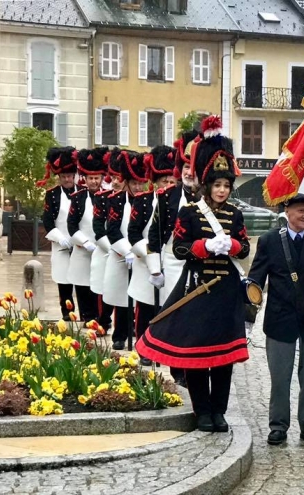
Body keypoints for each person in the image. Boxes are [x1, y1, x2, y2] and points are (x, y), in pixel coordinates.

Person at [137, 116, 251, 433]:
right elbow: (179, 249)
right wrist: (203, 246)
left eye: (227, 185)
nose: (222, 190)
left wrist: (233, 244)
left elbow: (243, 250)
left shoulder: (236, 213)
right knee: (196, 355)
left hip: (226, 292)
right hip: (197, 289)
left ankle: (220, 411)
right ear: (207, 184)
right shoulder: (189, 212)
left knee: (224, 360)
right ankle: (202, 411)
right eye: (217, 185)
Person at [248, 193, 304, 446]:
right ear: (287, 212)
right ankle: (278, 425)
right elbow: (256, 277)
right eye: (300, 211)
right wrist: (248, 303)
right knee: (280, 377)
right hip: (281, 316)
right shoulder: (270, 240)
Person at [146, 131, 198, 386]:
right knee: (175, 317)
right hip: (173, 265)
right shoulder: (166, 196)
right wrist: (155, 270)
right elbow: (154, 239)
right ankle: (177, 370)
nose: (190, 172)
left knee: (195, 319)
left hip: (200, 265)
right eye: (186, 166)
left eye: (194, 166)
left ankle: (195, 365)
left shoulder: (210, 197)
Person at [128, 146, 177, 366]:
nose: (168, 185)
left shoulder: (179, 202)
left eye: (171, 181)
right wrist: (149, 256)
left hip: (170, 261)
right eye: (164, 181)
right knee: (145, 307)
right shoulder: (143, 200)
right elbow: (133, 232)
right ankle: (143, 347)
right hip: (145, 262)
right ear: (155, 181)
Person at [104, 151, 149, 350]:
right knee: (122, 298)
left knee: (142, 298)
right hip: (122, 254)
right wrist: (126, 251)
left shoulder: (149, 201)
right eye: (134, 183)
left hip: (143, 256)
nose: (138, 187)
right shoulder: (116, 200)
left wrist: (141, 251)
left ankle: (142, 336)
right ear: (127, 182)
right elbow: (112, 229)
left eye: (141, 183)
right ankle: (119, 334)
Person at [67, 147, 107, 323]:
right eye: (90, 178)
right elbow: (71, 224)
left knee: (100, 285)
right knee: (82, 285)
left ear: (101, 178)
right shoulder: (77, 198)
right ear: (85, 179)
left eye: (96, 178)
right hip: (83, 249)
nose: (93, 181)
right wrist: (83, 242)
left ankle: (102, 318)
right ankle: (86, 316)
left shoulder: (109, 197)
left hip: (103, 248)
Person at [39, 147, 79, 319]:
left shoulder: (83, 192)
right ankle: (67, 313)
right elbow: (48, 220)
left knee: (83, 281)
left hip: (81, 244)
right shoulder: (52, 195)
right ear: (59, 177)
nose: (67, 179)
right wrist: (60, 238)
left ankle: (86, 314)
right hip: (61, 243)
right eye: (64, 177)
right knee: (64, 281)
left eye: (70, 176)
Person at [90, 148, 123, 331]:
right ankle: (103, 320)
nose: (117, 182)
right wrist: (112, 248)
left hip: (127, 251)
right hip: (106, 250)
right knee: (106, 289)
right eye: (114, 178)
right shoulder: (102, 198)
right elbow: (98, 226)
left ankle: (124, 325)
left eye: (120, 178)